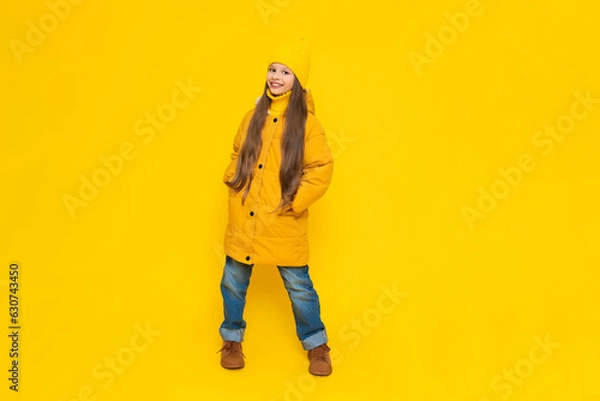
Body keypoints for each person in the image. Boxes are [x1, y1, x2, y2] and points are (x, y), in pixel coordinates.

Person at [218, 38, 334, 376]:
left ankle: (317, 345)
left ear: (298, 80)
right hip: (244, 220)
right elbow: (237, 152)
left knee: (300, 287)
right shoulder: (251, 116)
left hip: (282, 220)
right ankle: (231, 340)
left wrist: (294, 203)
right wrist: (233, 179)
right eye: (272, 69)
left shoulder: (307, 125)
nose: (276, 76)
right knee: (232, 282)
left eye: (285, 71)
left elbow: (321, 169)